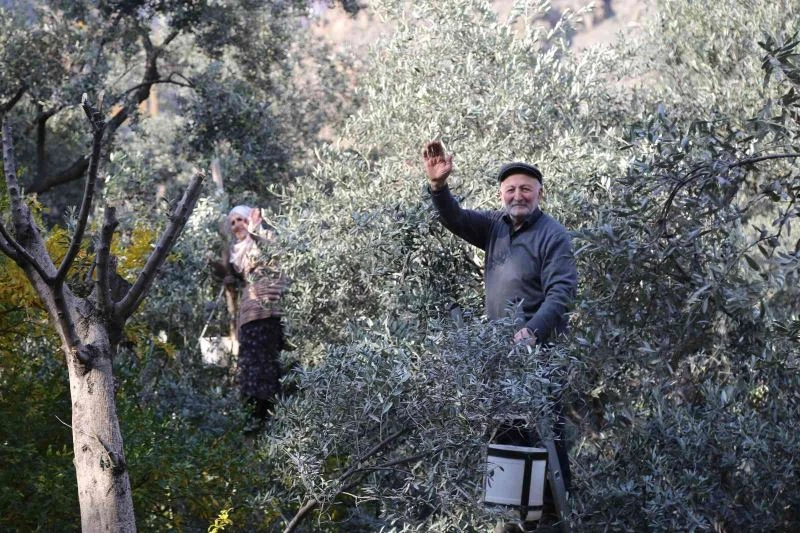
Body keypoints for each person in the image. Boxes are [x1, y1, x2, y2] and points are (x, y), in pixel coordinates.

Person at [422, 141, 577, 530]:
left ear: (539, 193)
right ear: (501, 195)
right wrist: (438, 186)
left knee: (547, 440)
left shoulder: (553, 235)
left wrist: (532, 331)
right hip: (501, 358)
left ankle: (555, 521)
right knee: (506, 439)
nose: (517, 195)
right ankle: (514, 521)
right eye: (511, 189)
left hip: (541, 359)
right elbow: (455, 218)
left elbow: (561, 293)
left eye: (525, 189)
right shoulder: (495, 227)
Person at [223, 205, 288, 427]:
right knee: (251, 368)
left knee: (267, 366)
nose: (236, 226)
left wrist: (256, 228)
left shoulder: (264, 238)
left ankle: (270, 418)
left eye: (240, 219)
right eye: (232, 223)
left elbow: (274, 247)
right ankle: (254, 421)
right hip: (249, 318)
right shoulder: (237, 251)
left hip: (269, 313)